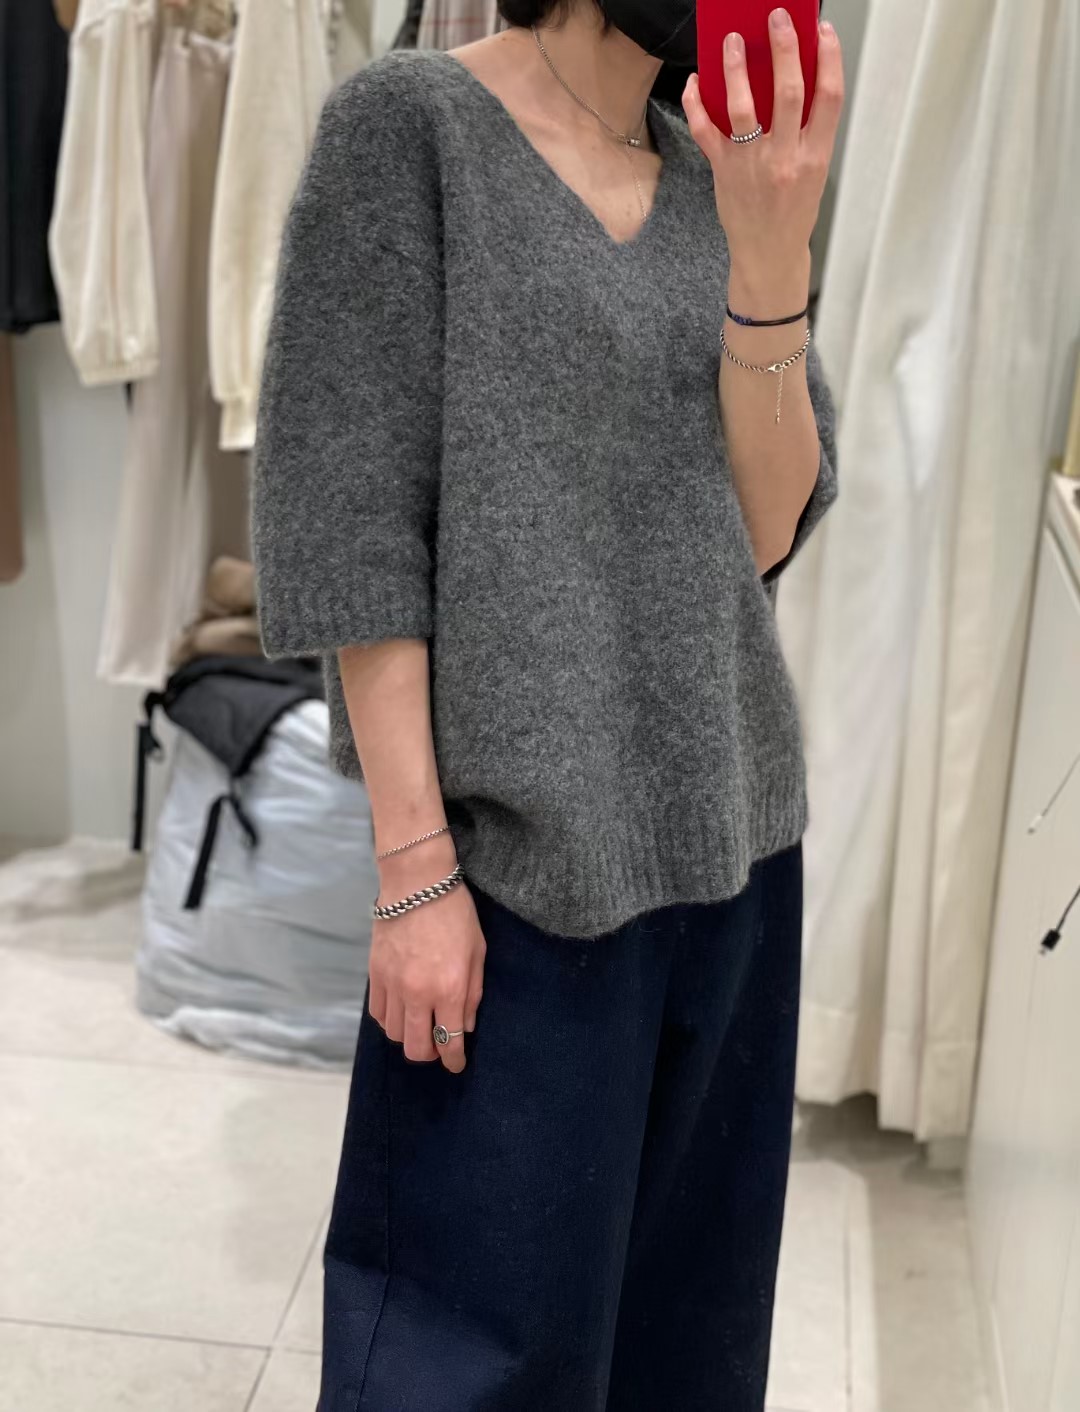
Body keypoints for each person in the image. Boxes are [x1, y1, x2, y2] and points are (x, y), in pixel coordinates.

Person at [252, 2, 844, 1407]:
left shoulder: (709, 176)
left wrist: (772, 262)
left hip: (734, 853)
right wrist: (412, 871)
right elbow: (350, 522)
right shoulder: (410, 129)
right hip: (514, 881)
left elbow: (767, 529)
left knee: (687, 1352)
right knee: (463, 1364)